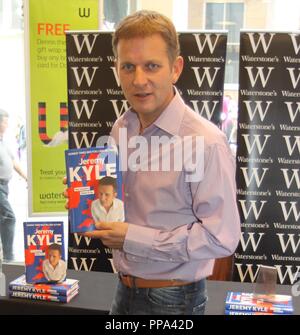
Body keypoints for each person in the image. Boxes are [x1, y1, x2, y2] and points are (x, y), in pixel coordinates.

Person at [65, 10, 240, 315]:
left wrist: (134, 239)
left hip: (174, 300)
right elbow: (123, 198)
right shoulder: (122, 127)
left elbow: (221, 237)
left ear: (175, 68)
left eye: (152, 66)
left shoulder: (206, 142)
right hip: (123, 289)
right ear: (117, 69)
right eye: (128, 67)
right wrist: (87, 191)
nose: (139, 80)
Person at [0, 109, 27, 262]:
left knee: (2, 218)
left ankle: (3, 255)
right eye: (4, 121)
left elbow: (13, 162)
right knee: (9, 217)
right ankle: (8, 257)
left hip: (4, 186)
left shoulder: (4, 142)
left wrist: (26, 177)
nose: (7, 124)